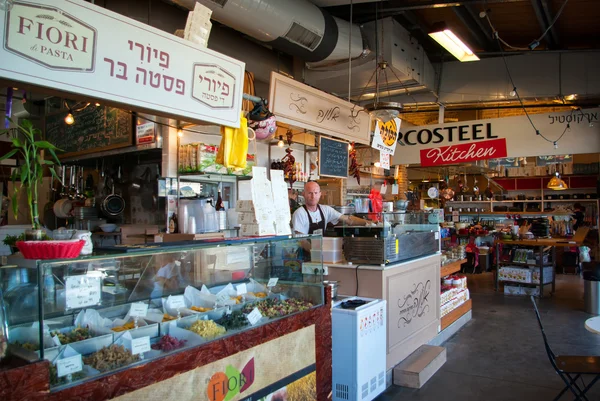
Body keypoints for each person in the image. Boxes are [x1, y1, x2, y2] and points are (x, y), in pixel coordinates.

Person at [292, 181, 370, 235]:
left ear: (320, 194)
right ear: (303, 194)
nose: (313, 196)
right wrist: (315, 252)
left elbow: (348, 220)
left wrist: (370, 223)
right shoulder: (299, 213)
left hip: (319, 253)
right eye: (310, 193)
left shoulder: (325, 210)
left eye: (316, 193)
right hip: (305, 256)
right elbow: (300, 240)